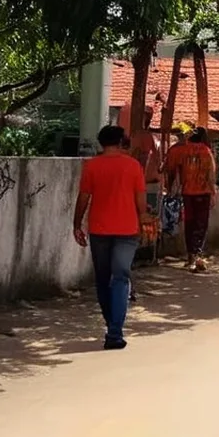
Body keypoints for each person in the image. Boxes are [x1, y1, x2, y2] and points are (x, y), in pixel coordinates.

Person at [72, 125, 147, 350]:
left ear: (101, 142)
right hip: (127, 230)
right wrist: (144, 221)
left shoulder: (92, 166)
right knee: (121, 277)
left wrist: (77, 225)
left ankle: (112, 326)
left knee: (103, 279)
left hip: (99, 229)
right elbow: (140, 201)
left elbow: (83, 198)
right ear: (122, 142)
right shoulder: (133, 166)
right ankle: (115, 331)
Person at [164, 127, 217, 272]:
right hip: (204, 193)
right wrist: (213, 193)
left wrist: (169, 187)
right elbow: (211, 175)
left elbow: (170, 169)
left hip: (187, 193)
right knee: (201, 225)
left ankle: (191, 256)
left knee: (189, 224)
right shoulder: (207, 152)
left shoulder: (181, 150)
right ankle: (198, 254)